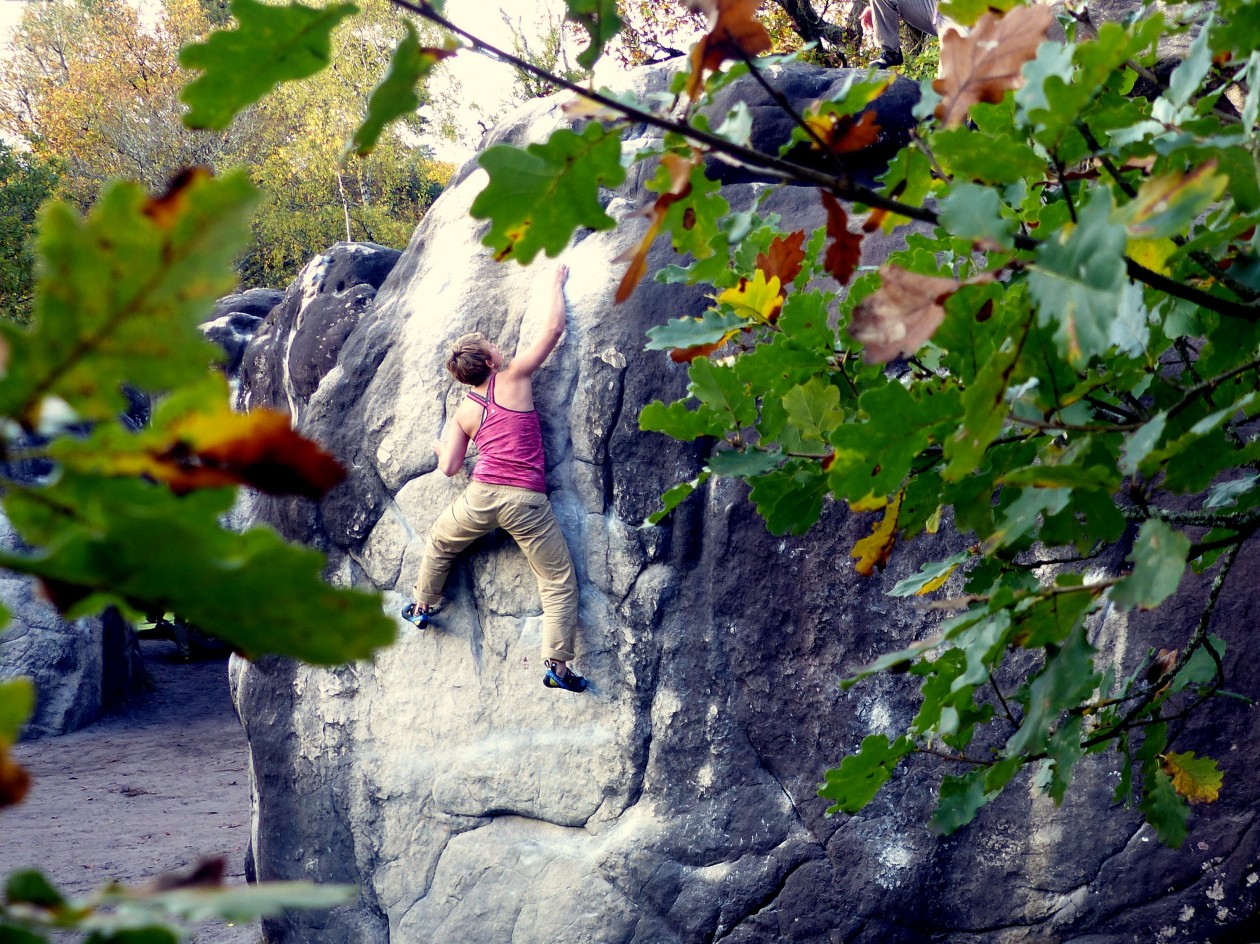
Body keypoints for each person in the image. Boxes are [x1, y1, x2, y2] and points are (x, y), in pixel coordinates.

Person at [402, 264, 587, 694]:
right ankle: (556, 667)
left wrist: (440, 447)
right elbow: (554, 329)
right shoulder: (515, 377)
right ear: (488, 360)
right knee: (557, 579)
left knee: (441, 541)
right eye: (492, 345)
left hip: (482, 496)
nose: (498, 345)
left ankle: (421, 605)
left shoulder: (465, 410)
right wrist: (555, 284)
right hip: (525, 500)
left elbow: (448, 467)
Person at [860, 0, 944, 69]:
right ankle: (892, 52)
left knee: (948, 80)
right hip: (934, 8)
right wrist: (878, 9)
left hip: (953, 14)